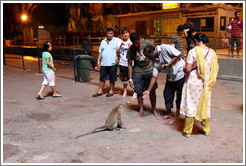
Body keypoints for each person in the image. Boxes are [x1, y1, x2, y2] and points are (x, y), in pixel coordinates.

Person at [180, 33, 219, 138]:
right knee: (205, 104)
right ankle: (206, 130)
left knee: (191, 104)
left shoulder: (193, 51)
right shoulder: (212, 52)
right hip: (206, 83)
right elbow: (213, 69)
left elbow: (187, 69)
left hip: (194, 82)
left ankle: (187, 131)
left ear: (196, 40)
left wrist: (184, 65)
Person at [142, 44, 185, 125]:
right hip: (170, 76)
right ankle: (169, 113)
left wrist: (169, 64)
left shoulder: (164, 47)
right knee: (167, 94)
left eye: (148, 56)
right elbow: (154, 76)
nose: (147, 58)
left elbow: (179, 54)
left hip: (180, 74)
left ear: (153, 51)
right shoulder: (154, 60)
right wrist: (148, 90)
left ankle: (177, 117)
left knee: (179, 97)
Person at [127, 32, 158, 117]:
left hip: (149, 70)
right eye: (133, 43)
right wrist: (130, 78)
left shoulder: (147, 43)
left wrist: (156, 69)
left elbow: (155, 55)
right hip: (138, 72)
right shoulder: (131, 49)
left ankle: (154, 109)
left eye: (137, 43)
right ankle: (141, 108)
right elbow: (129, 64)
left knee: (152, 91)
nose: (135, 45)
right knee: (139, 91)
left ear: (139, 39)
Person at [92, 28, 120, 97]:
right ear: (106, 34)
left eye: (111, 33)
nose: (110, 35)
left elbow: (124, 43)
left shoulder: (117, 41)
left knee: (112, 78)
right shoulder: (103, 41)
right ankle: (100, 90)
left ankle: (111, 91)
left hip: (113, 63)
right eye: (108, 33)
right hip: (104, 63)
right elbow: (100, 52)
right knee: (102, 78)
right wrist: (98, 60)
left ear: (113, 34)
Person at [116, 27, 137, 98]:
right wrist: (120, 46)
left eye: (126, 33)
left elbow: (136, 52)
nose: (125, 35)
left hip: (132, 64)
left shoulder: (132, 41)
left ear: (129, 33)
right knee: (124, 79)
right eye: (124, 33)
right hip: (123, 63)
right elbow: (117, 52)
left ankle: (135, 92)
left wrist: (131, 46)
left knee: (133, 78)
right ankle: (125, 91)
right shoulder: (120, 42)